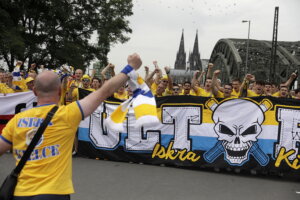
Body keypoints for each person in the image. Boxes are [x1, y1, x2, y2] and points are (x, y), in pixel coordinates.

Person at [0, 53, 142, 200]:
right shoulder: (68, 114)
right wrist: (130, 67)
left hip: (20, 193)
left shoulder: (17, 120)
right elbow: (104, 91)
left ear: (35, 91)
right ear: (60, 91)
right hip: (54, 193)